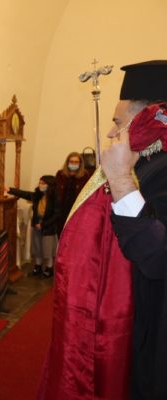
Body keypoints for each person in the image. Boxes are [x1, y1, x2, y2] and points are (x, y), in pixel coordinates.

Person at [101, 60, 167, 399]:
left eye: (117, 122)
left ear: (147, 117)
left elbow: (158, 256)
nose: (111, 133)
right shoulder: (150, 161)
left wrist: (121, 180)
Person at [8, 175, 60, 278]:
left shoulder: (55, 197)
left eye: (43, 183)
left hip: (48, 227)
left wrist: (43, 224)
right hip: (36, 225)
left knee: (48, 250)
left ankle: (49, 268)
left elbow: (57, 214)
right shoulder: (37, 195)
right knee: (37, 248)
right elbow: (25, 194)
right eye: (40, 182)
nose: (40, 185)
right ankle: (38, 267)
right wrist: (10, 190)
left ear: (50, 185)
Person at [55, 152, 90, 236]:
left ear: (80, 163)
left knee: (74, 234)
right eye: (71, 161)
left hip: (77, 210)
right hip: (62, 210)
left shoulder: (85, 175)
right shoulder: (60, 174)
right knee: (61, 234)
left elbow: (87, 193)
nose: (74, 164)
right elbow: (55, 191)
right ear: (67, 162)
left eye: (76, 162)